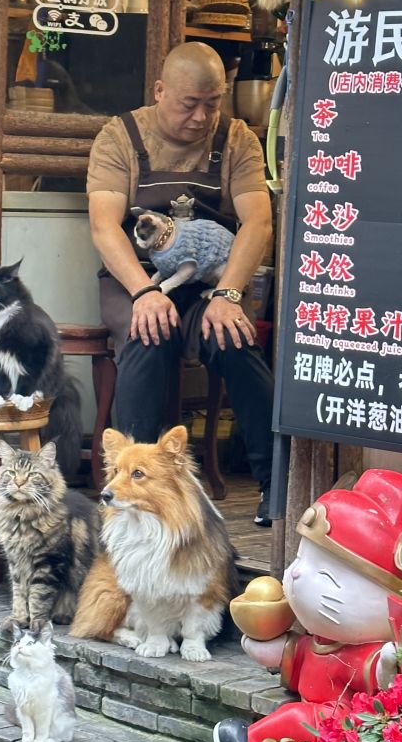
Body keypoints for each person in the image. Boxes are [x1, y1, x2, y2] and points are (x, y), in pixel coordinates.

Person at [87, 42, 275, 523]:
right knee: (147, 337)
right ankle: (129, 498)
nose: (201, 117)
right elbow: (105, 226)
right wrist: (145, 293)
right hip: (137, 277)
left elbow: (257, 222)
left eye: (212, 103)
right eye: (189, 103)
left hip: (211, 280)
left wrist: (230, 295)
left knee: (236, 342)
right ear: (159, 91)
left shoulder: (238, 139)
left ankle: (275, 488)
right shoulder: (120, 136)